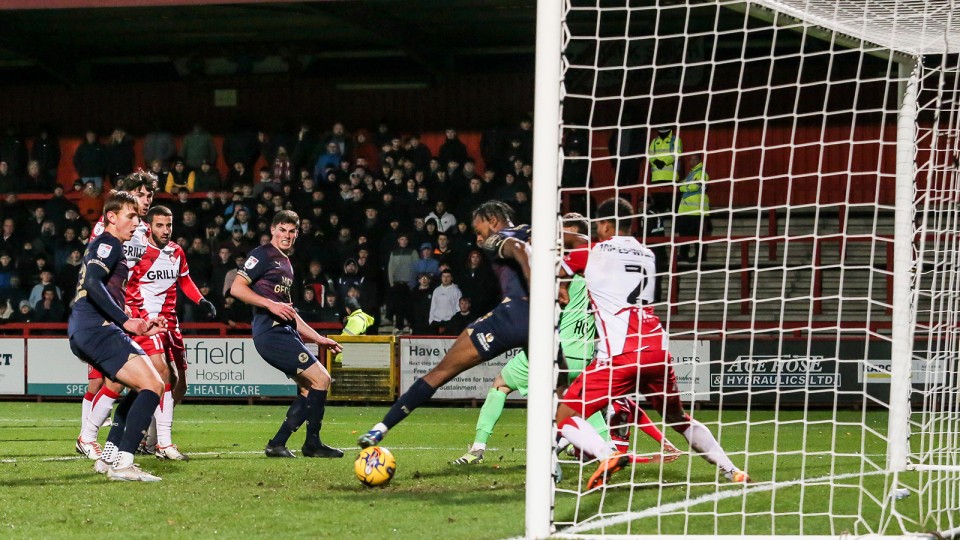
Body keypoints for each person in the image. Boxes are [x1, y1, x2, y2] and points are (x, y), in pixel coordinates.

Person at [452, 213, 676, 464]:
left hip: (556, 349)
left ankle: (478, 449)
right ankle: (607, 449)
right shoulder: (597, 265)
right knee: (579, 401)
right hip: (585, 351)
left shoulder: (564, 265)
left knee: (500, 384)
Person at [556, 197, 748, 489]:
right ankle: (731, 470)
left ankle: (606, 454)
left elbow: (554, 270)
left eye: (599, 227)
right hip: (657, 348)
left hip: (620, 353)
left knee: (564, 414)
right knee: (677, 417)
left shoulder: (592, 252)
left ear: (605, 225)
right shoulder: (647, 253)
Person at [358, 200, 530, 448]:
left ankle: (380, 428)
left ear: (492, 221)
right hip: (544, 322)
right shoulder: (536, 231)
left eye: (479, 230)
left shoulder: (498, 238)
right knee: (559, 388)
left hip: (512, 316)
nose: (479, 238)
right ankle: (586, 446)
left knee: (441, 372)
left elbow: (519, 250)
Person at [69, 190, 168, 481]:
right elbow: (92, 282)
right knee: (154, 384)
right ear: (111, 217)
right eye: (131, 216)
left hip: (89, 329)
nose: (137, 222)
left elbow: (103, 290)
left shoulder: (110, 246)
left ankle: (109, 457)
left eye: (138, 216)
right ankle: (124, 464)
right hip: (96, 329)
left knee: (140, 387)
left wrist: (140, 322)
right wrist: (126, 322)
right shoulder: (108, 243)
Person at [230, 210, 344, 458]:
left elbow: (290, 312)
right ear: (272, 230)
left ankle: (277, 444)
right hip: (271, 333)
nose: (287, 235)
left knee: (308, 389)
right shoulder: (262, 254)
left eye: (292, 231)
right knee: (321, 379)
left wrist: (318, 338)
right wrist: (269, 304)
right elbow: (236, 288)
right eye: (282, 229)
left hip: (284, 331)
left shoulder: (285, 263)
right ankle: (312, 444)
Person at [124, 205, 217, 460]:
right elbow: (125, 286)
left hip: (171, 324)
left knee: (179, 384)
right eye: (160, 226)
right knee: (162, 375)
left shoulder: (176, 251)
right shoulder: (139, 253)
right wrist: (135, 317)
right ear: (150, 226)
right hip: (147, 323)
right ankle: (161, 444)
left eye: (169, 225)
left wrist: (200, 301)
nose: (166, 231)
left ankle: (151, 440)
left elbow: (185, 281)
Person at [675, 153, 711, 263]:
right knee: (684, 234)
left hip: (697, 211)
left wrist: (681, 188)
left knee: (697, 235)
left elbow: (696, 186)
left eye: (694, 159)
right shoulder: (692, 174)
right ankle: (683, 254)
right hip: (688, 210)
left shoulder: (701, 173)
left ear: (699, 160)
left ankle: (699, 256)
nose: (692, 161)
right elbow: (685, 184)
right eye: (691, 159)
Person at [647, 126, 683, 213]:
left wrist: (664, 162)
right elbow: (649, 154)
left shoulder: (675, 140)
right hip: (656, 178)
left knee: (673, 204)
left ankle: (676, 223)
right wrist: (655, 161)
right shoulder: (655, 141)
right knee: (658, 204)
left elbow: (677, 153)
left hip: (670, 177)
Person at [429, 269, 461, 334]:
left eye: (448, 276)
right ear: (441, 278)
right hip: (436, 321)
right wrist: (431, 320)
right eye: (443, 276)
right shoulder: (437, 290)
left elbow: (459, 308)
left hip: (449, 322)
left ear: (451, 278)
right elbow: (433, 307)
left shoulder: (456, 291)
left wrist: (454, 321)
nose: (445, 279)